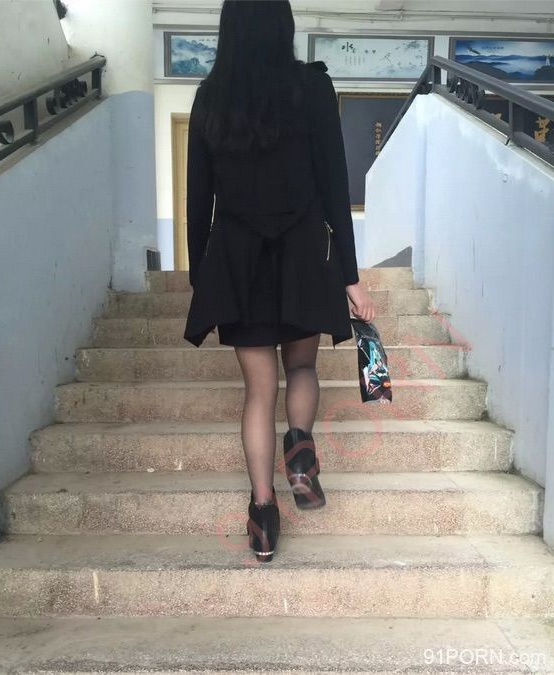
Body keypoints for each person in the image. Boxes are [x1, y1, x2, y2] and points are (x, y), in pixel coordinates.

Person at [183, 0, 376, 562]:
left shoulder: (210, 97)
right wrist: (350, 276)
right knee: (302, 368)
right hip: (302, 253)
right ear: (283, 25)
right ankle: (300, 448)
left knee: (258, 391)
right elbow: (334, 184)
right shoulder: (312, 88)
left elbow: (198, 197)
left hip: (238, 260)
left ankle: (263, 514)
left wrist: (202, 275)